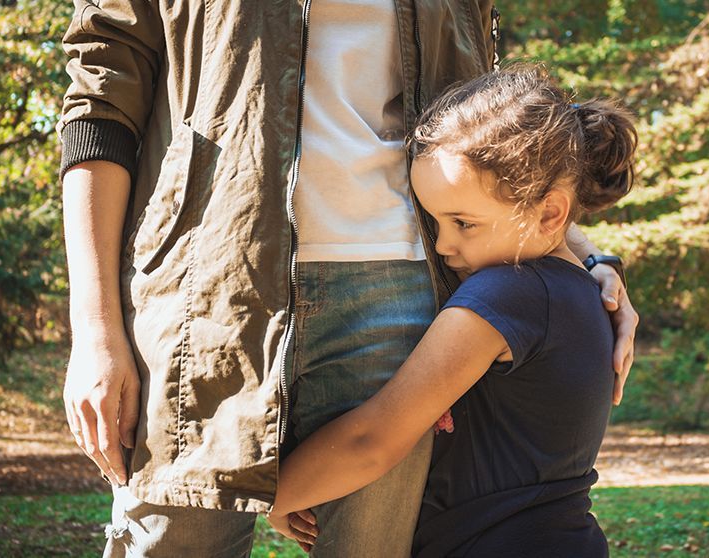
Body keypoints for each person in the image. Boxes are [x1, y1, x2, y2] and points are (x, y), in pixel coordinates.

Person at [57, 1, 638, 556]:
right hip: (206, 291)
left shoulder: (498, 290)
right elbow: (101, 91)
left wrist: (585, 254)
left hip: (407, 294)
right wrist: (93, 327)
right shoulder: (509, 287)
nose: (447, 241)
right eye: (447, 223)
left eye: (458, 224)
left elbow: (500, 142)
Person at [267, 65, 635, 557]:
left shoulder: (509, 294)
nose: (443, 245)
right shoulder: (575, 292)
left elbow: (372, 440)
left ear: (550, 214)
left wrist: (274, 495)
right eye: (435, 221)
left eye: (464, 222)